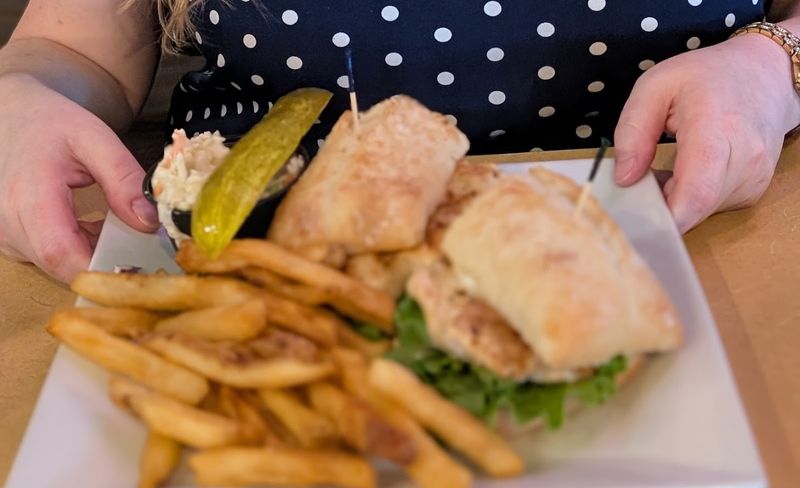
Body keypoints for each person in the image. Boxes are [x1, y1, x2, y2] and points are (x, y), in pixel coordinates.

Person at [0, 1, 799, 283]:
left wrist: (778, 61)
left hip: (685, 242)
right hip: (237, 270)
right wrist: (19, 99)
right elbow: (75, 47)